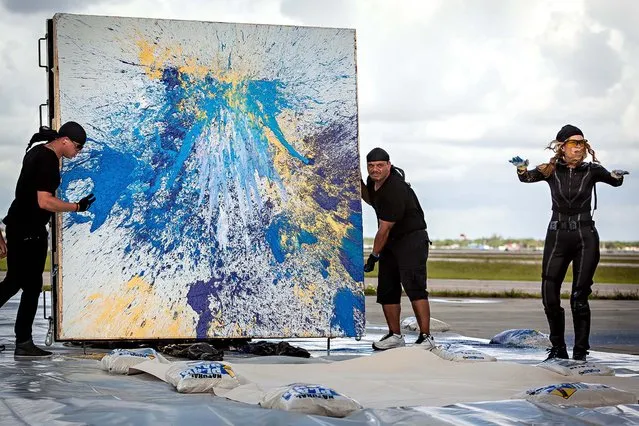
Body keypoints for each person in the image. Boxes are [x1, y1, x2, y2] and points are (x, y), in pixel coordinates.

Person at [510, 124, 628, 362]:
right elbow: (527, 178)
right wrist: (521, 169)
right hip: (557, 236)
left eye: (582, 143)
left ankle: (581, 352)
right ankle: (558, 348)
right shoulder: (550, 169)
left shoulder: (592, 170)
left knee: (579, 296)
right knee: (548, 293)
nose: (579, 148)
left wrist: (616, 177)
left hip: (585, 236)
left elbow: (614, 182)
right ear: (562, 146)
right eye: (574, 143)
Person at [0, 122, 96, 357]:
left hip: (21, 227)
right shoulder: (47, 160)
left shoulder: (38, 151)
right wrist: (77, 207)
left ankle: (24, 342)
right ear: (64, 140)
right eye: (77, 146)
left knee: (27, 285)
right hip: (28, 230)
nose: (78, 152)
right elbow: (44, 201)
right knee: (18, 284)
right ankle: (23, 342)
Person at [361, 147, 435, 350]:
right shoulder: (373, 182)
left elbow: (383, 229)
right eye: (371, 166)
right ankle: (395, 335)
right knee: (387, 289)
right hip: (391, 242)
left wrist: (374, 256)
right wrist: (357, 183)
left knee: (414, 287)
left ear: (389, 165)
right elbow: (372, 200)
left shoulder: (395, 188)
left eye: (379, 165)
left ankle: (426, 337)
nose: (375, 170)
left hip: (411, 240)